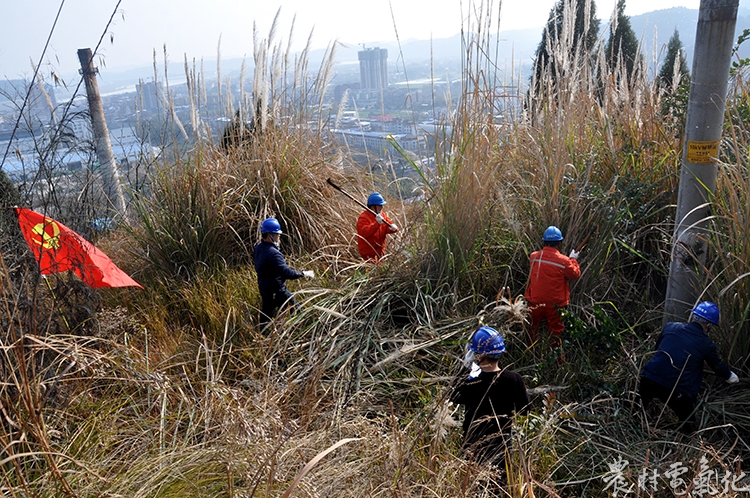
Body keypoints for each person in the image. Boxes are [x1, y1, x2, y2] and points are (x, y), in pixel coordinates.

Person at [639, 301, 739, 432]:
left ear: (693, 316)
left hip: (648, 378)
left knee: (637, 410)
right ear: (708, 326)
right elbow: (717, 367)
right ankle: (683, 443)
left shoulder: (670, 327)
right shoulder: (707, 345)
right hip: (676, 390)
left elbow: (657, 349)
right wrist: (730, 376)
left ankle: (632, 427)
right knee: (688, 425)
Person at [450, 326, 530, 478]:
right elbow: (525, 410)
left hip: (472, 446)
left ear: (478, 355)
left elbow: (451, 396)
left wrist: (466, 369)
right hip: (502, 447)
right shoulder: (514, 380)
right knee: (499, 487)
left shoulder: (469, 381)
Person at [253, 217, 314, 335]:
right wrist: (304, 273)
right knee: (297, 309)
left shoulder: (259, 248)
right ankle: (304, 331)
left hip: (264, 287)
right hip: (277, 290)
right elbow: (287, 273)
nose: (279, 237)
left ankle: (262, 335)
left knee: (266, 313)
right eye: (278, 234)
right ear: (270, 235)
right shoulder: (274, 254)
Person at [524, 226, 581, 348]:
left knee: (531, 331)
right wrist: (573, 259)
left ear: (544, 241)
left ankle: (529, 355)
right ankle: (558, 362)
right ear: (559, 243)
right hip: (555, 306)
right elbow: (575, 275)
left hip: (534, 302)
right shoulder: (565, 261)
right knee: (556, 334)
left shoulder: (533, 257)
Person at [356, 192, 399, 261]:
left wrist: (393, 228)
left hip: (380, 253)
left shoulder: (382, 215)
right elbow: (364, 233)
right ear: (373, 207)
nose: (382, 207)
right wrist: (377, 224)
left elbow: (387, 226)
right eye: (380, 205)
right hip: (369, 256)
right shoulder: (363, 217)